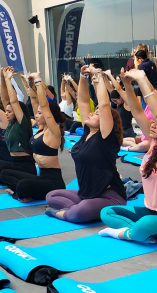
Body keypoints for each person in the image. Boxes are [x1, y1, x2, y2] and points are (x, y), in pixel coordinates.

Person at [97, 68, 157, 244]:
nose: (153, 125)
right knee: (107, 212)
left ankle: (125, 233)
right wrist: (126, 84)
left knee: (146, 223)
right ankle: (141, 232)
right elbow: (137, 112)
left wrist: (142, 79)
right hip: (150, 211)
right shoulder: (154, 143)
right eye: (153, 124)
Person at [45, 65, 127, 223]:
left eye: (96, 114)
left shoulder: (106, 138)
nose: (90, 113)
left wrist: (98, 76)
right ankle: (77, 208)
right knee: (51, 196)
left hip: (111, 197)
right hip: (86, 194)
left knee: (81, 211)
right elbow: (82, 101)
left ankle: (63, 213)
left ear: (106, 121)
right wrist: (83, 77)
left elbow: (104, 105)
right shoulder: (87, 133)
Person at [0, 71, 66, 202]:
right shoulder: (40, 129)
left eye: (40, 113)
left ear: (49, 116)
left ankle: (22, 192)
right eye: (37, 113)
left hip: (54, 182)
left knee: (23, 185)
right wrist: (10, 79)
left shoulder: (53, 131)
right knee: (5, 174)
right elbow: (27, 101)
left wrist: (37, 80)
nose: (36, 115)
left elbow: (44, 105)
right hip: (41, 176)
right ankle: (23, 193)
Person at [0, 67, 35, 186]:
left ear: (17, 112)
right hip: (13, 162)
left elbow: (13, 102)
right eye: (6, 111)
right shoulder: (10, 123)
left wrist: (9, 79)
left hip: (25, 165)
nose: (6, 113)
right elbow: (5, 99)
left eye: (9, 111)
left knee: (1, 172)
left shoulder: (22, 123)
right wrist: (3, 78)